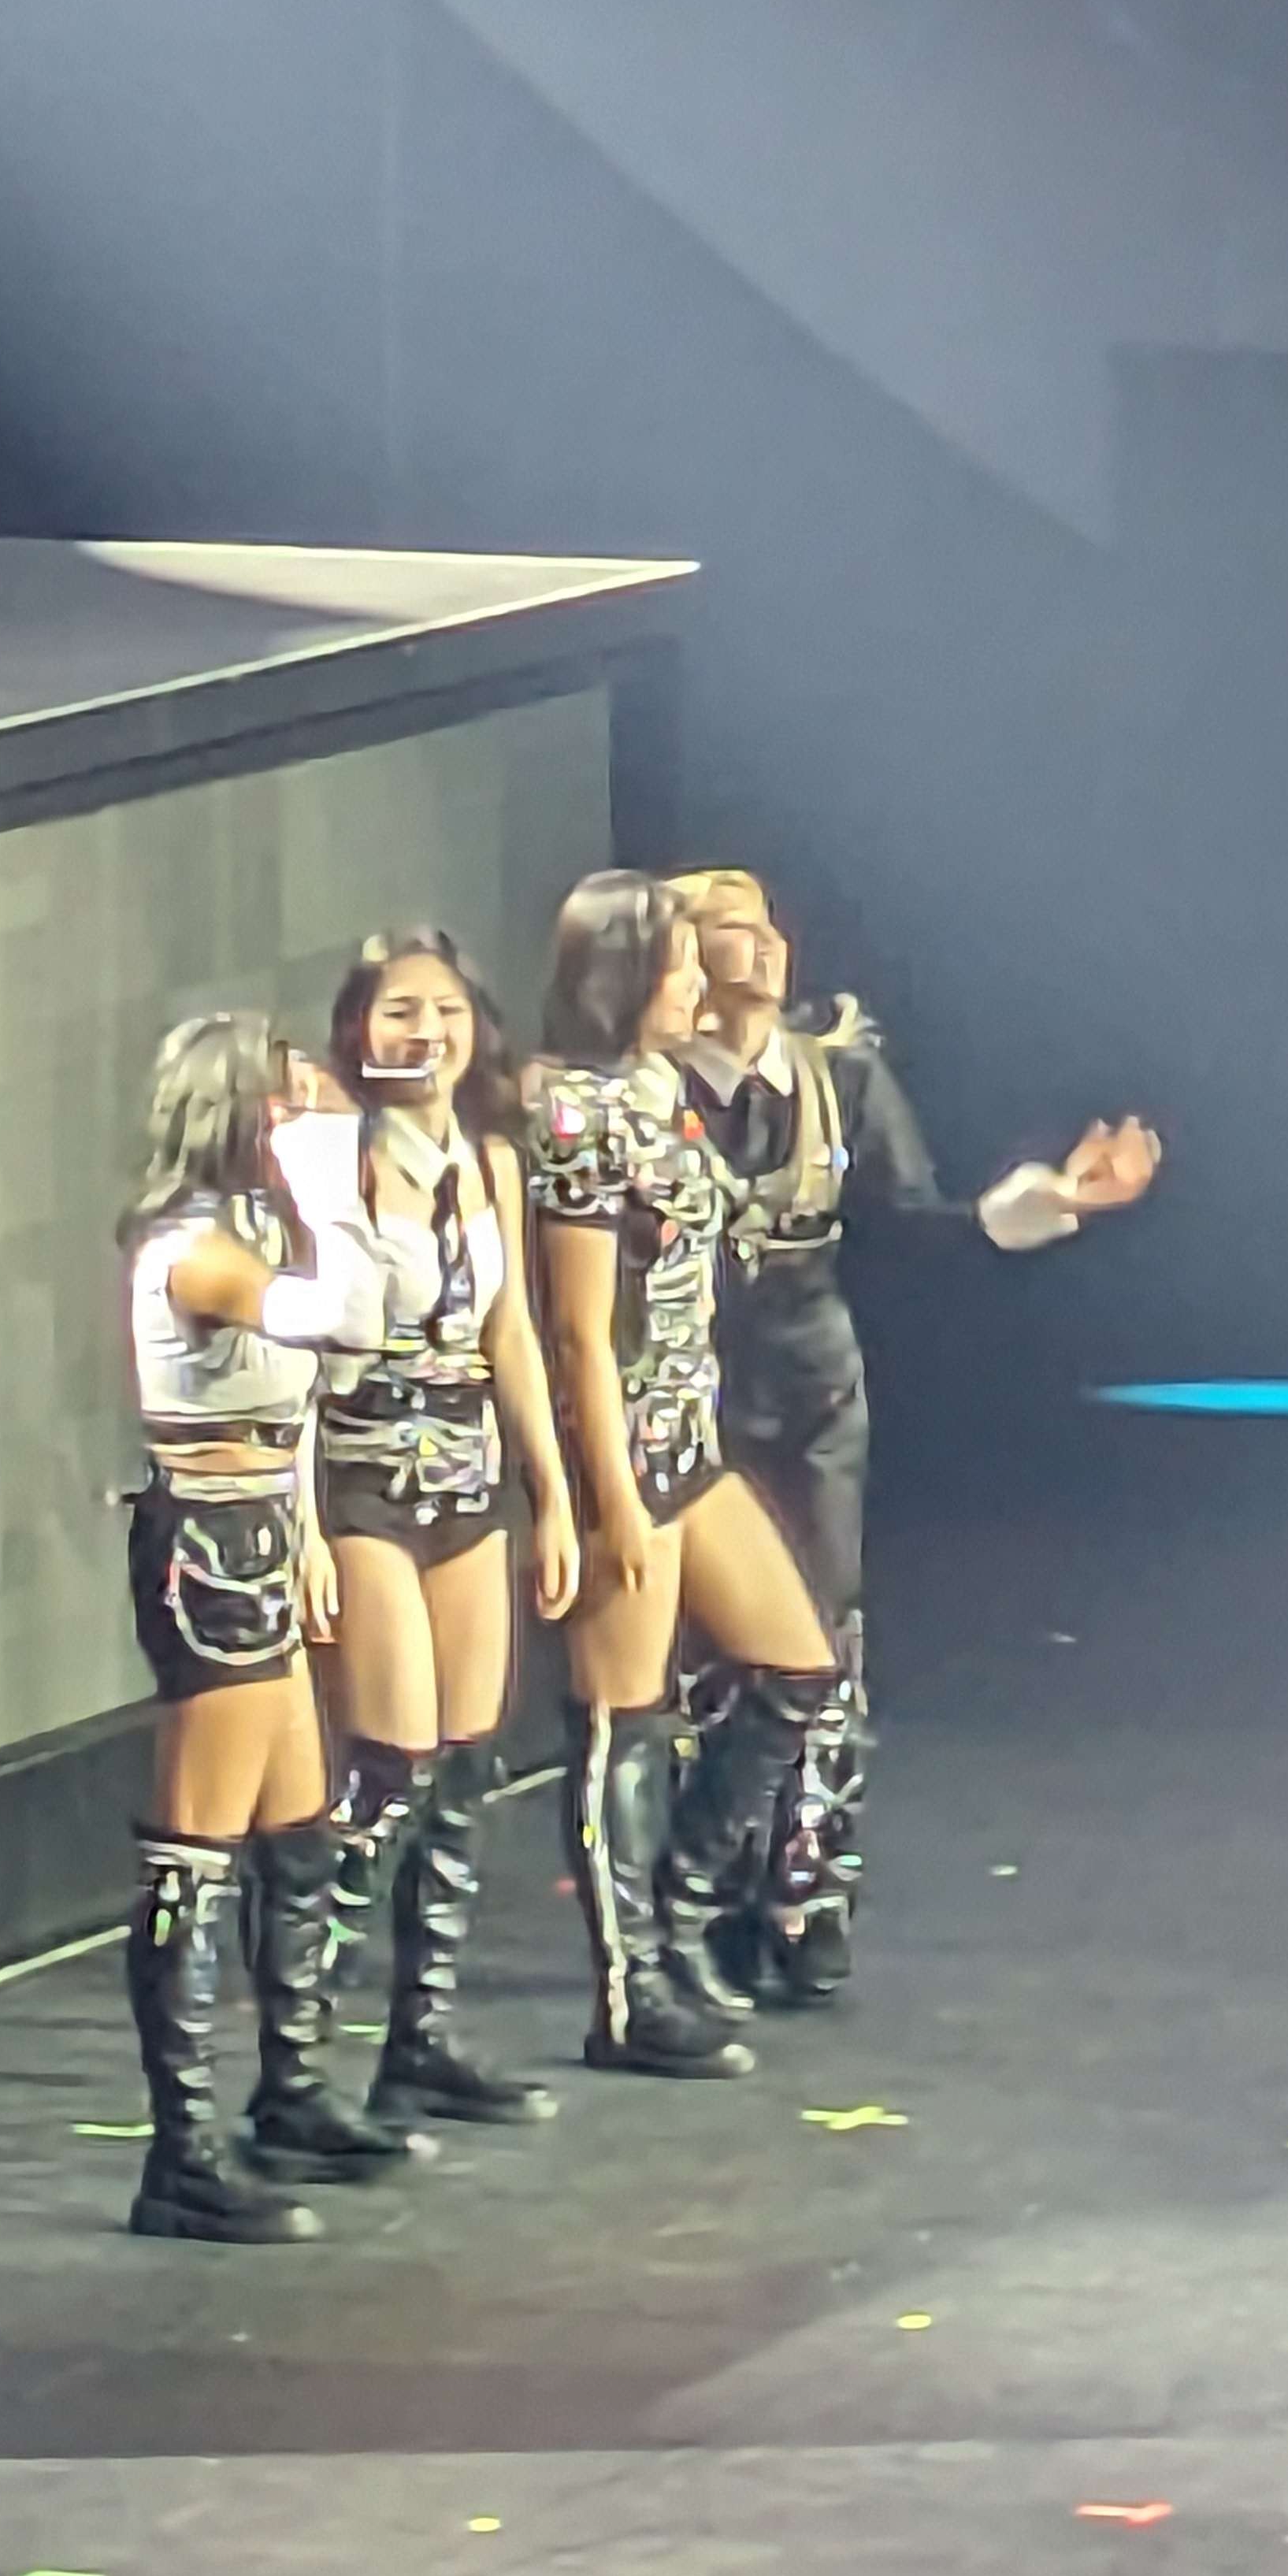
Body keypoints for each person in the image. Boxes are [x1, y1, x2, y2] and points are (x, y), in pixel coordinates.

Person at [670, 867, 1162, 2002]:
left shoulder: (837, 1071)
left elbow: (912, 1223)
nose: (764, 947)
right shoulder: (646, 1090)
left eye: (768, 926)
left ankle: (807, 1892)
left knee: (821, 1636)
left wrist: (1053, 1202)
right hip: (689, 1389)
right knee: (707, 1654)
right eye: (731, 931)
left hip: (809, 1388)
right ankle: (705, 1896)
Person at [117, 1010, 431, 2244]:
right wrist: (333, 1191)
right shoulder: (193, 1250)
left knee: (300, 1824)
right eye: (289, 1101)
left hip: (259, 1533)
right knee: (195, 1847)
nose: (314, 1117)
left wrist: (304, 1534)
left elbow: (314, 1391)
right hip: (206, 1546)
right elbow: (339, 1322)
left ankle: (292, 2089)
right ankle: (180, 2152)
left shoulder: (250, 1234)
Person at [525, 871, 839, 2080]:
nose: (696, 986)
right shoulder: (579, 1117)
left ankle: (678, 1907)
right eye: (678, 968)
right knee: (624, 1718)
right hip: (623, 1448)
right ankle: (629, 1990)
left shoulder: (659, 1098)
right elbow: (577, 1330)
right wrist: (607, 1497)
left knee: (797, 1666)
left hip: (687, 1434)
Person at [277, 929, 581, 2132]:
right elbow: (298, 1356)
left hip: (468, 1478)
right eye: (400, 1011)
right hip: (362, 1474)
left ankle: (422, 2038)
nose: (426, 1033)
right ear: (359, 1031)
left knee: (464, 1763)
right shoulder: (330, 1162)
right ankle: (298, 2061)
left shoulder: (489, 1162)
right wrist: (301, 1526)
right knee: (389, 1765)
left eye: (445, 1011)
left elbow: (513, 1336)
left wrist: (552, 1492)